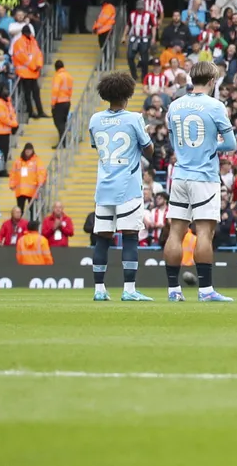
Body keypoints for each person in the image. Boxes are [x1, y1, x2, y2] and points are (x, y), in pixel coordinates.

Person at [163, 61, 237, 302]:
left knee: (176, 232)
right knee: (204, 232)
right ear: (213, 81)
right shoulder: (216, 106)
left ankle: (173, 291)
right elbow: (231, 144)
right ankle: (205, 291)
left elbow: (174, 142)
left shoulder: (174, 106)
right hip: (203, 177)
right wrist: (210, 145)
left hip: (181, 174)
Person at [88, 70, 153, 301]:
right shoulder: (134, 118)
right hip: (128, 188)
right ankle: (129, 290)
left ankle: (99, 290)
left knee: (103, 239)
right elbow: (149, 150)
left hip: (103, 187)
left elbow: (96, 146)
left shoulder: (95, 119)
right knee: (130, 237)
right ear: (127, 94)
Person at [8, 142, 46, 213]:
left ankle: (33, 224)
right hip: (20, 191)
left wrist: (40, 183)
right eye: (27, 150)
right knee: (19, 211)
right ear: (24, 150)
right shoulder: (18, 161)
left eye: (30, 150)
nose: (28, 152)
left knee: (33, 211)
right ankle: (19, 224)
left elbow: (41, 173)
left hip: (32, 191)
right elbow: (13, 173)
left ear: (32, 151)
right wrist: (11, 184)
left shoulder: (37, 161)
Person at [0, 82, 18, 165]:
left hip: (5, 132)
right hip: (0, 133)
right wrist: (14, 124)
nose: (7, 91)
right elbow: (4, 119)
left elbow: (12, 113)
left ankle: (2, 168)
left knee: (5, 151)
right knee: (1, 152)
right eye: (4, 89)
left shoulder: (6, 103)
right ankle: (1, 170)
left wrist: (14, 122)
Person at [50, 60, 74, 138]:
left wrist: (53, 103)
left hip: (59, 102)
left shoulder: (58, 76)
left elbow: (55, 90)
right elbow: (70, 90)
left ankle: (62, 141)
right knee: (63, 122)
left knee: (59, 122)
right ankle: (63, 140)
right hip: (67, 102)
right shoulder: (69, 76)